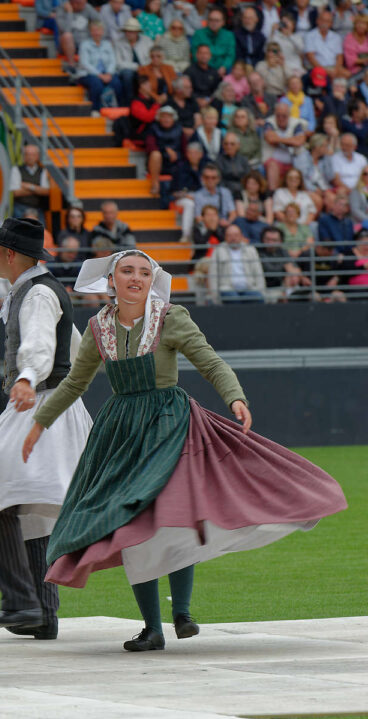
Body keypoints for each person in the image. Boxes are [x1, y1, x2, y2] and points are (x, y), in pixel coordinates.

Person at [23, 250, 346, 652]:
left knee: (178, 513)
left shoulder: (171, 318)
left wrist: (235, 398)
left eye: (144, 272)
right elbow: (74, 383)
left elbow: (209, 361)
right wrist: (39, 423)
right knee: (131, 525)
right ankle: (152, 627)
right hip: (122, 433)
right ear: (112, 280)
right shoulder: (97, 327)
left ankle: (183, 613)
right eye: (127, 271)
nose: (136, 278)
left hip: (170, 425)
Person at [0, 218, 92, 641]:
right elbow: (75, 347)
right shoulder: (42, 289)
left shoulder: (37, 292)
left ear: (9, 255)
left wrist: (26, 376)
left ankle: (20, 601)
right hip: (56, 402)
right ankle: (41, 611)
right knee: (29, 504)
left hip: (43, 401)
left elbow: (40, 344)